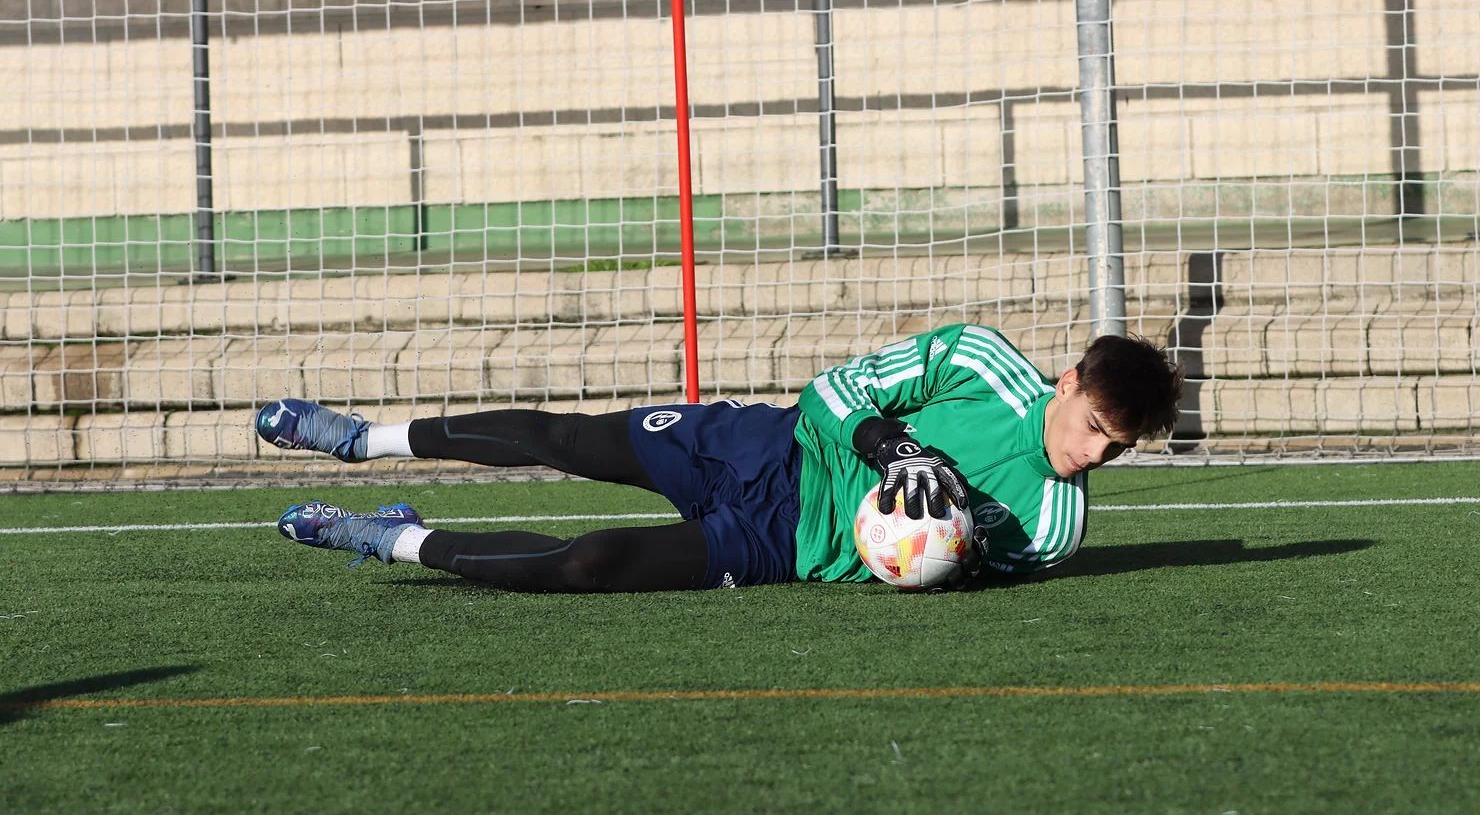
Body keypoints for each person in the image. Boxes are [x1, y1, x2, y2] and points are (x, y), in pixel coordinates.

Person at [259, 323, 1182, 592]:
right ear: (1068, 382)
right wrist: (897, 448)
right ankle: (361, 439)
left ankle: (389, 541)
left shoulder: (1055, 530)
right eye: (1095, 427)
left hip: (788, 545)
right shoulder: (979, 360)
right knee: (566, 440)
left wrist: (943, 541)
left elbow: (942, 570)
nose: (1094, 455)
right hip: (771, 446)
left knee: (592, 562)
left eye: (1117, 448)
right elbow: (833, 387)